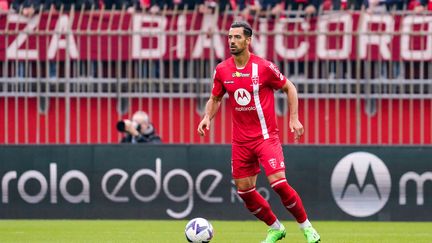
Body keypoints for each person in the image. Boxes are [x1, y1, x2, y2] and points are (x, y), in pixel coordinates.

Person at [197, 21, 320, 243]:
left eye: (237, 37)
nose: (232, 41)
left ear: (248, 40)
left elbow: (289, 87)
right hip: (241, 142)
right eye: (230, 37)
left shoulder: (263, 67)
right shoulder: (222, 69)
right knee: (244, 191)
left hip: (265, 138)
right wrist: (207, 117)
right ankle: (275, 228)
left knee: (279, 184)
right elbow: (215, 98)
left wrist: (294, 118)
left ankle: (307, 228)